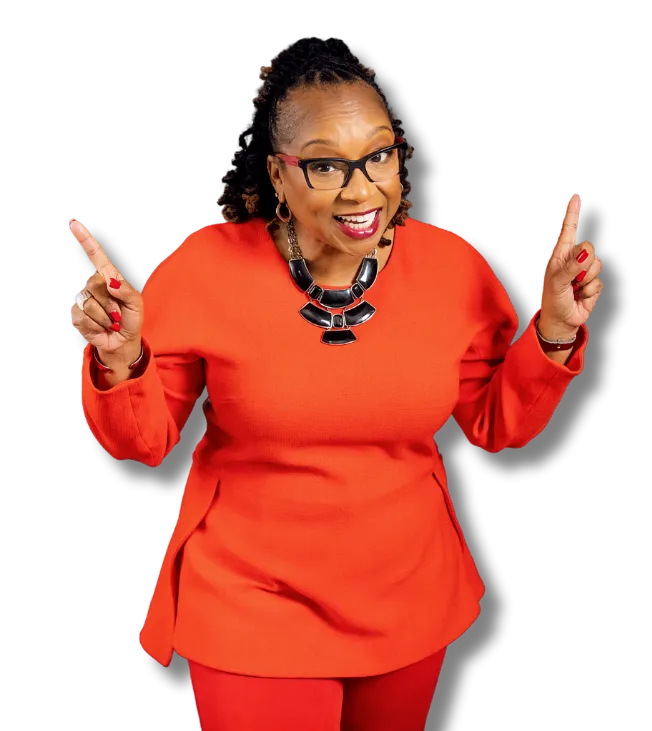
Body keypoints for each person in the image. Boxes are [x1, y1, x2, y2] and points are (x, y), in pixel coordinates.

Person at [72, 35, 603, 731]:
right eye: (325, 165)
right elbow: (140, 441)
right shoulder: (205, 268)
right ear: (278, 173)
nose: (362, 188)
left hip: (409, 597)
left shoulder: (452, 267)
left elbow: (496, 423)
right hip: (251, 601)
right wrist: (121, 356)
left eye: (380, 155)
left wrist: (554, 330)